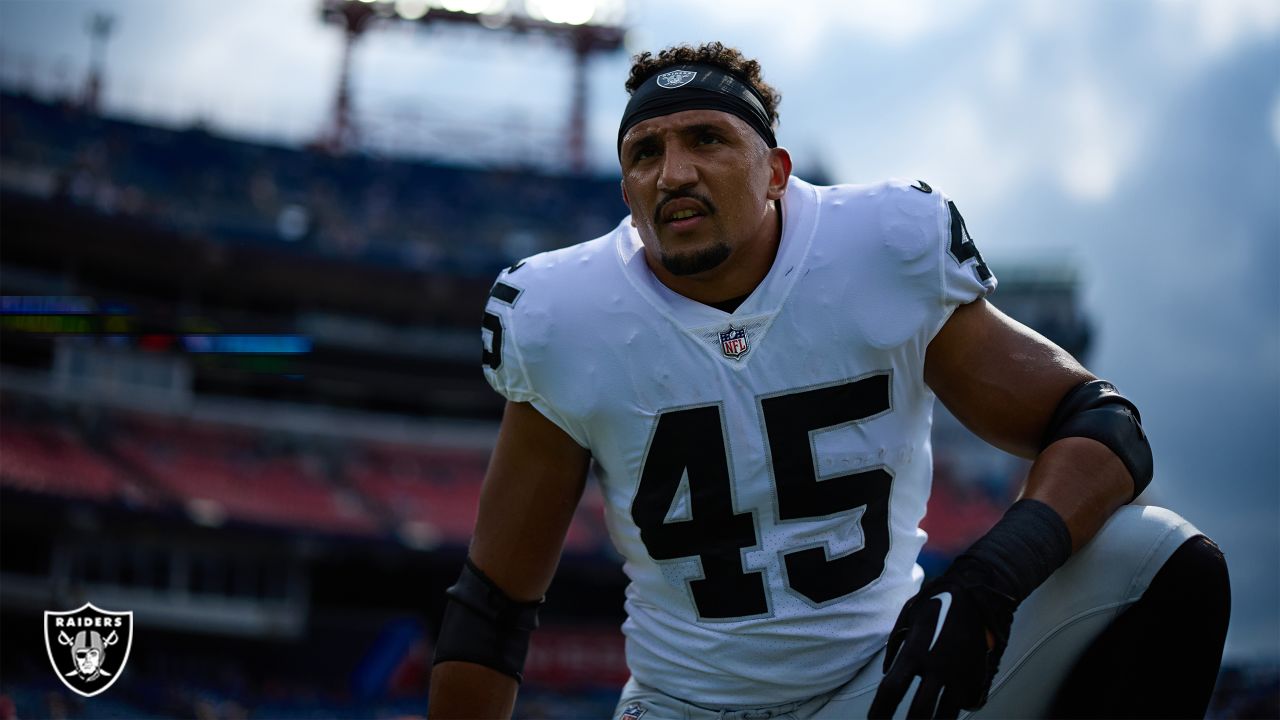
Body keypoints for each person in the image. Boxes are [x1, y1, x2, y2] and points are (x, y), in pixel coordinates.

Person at [428, 42, 1230, 719]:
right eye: (646, 152)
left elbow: (1101, 426)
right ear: (627, 188)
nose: (673, 172)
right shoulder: (565, 315)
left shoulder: (878, 250)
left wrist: (988, 584)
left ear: (775, 169)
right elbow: (494, 604)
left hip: (887, 685)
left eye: (706, 139)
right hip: (684, 707)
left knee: (1163, 557)